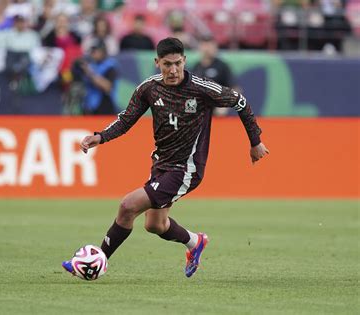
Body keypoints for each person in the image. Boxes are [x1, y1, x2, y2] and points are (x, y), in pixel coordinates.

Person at [62, 37, 269, 278]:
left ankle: (96, 262)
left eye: (177, 64)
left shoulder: (202, 89)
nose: (173, 70)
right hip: (161, 164)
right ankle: (195, 242)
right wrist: (101, 137)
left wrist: (255, 142)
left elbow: (240, 102)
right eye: (167, 64)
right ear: (157, 62)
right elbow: (127, 118)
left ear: (184, 61)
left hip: (187, 168)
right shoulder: (149, 88)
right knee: (155, 225)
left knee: (128, 206)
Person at [192, 34, 237, 116]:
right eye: (204, 45)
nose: (207, 49)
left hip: (217, 112)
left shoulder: (222, 66)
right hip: (200, 113)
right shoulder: (196, 67)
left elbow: (235, 88)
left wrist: (225, 106)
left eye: (210, 45)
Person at [72, 39, 118, 115]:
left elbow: (107, 87)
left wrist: (89, 73)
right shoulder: (91, 64)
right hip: (89, 107)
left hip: (105, 108)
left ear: (103, 51)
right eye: (92, 51)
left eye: (95, 51)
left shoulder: (110, 66)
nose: (92, 54)